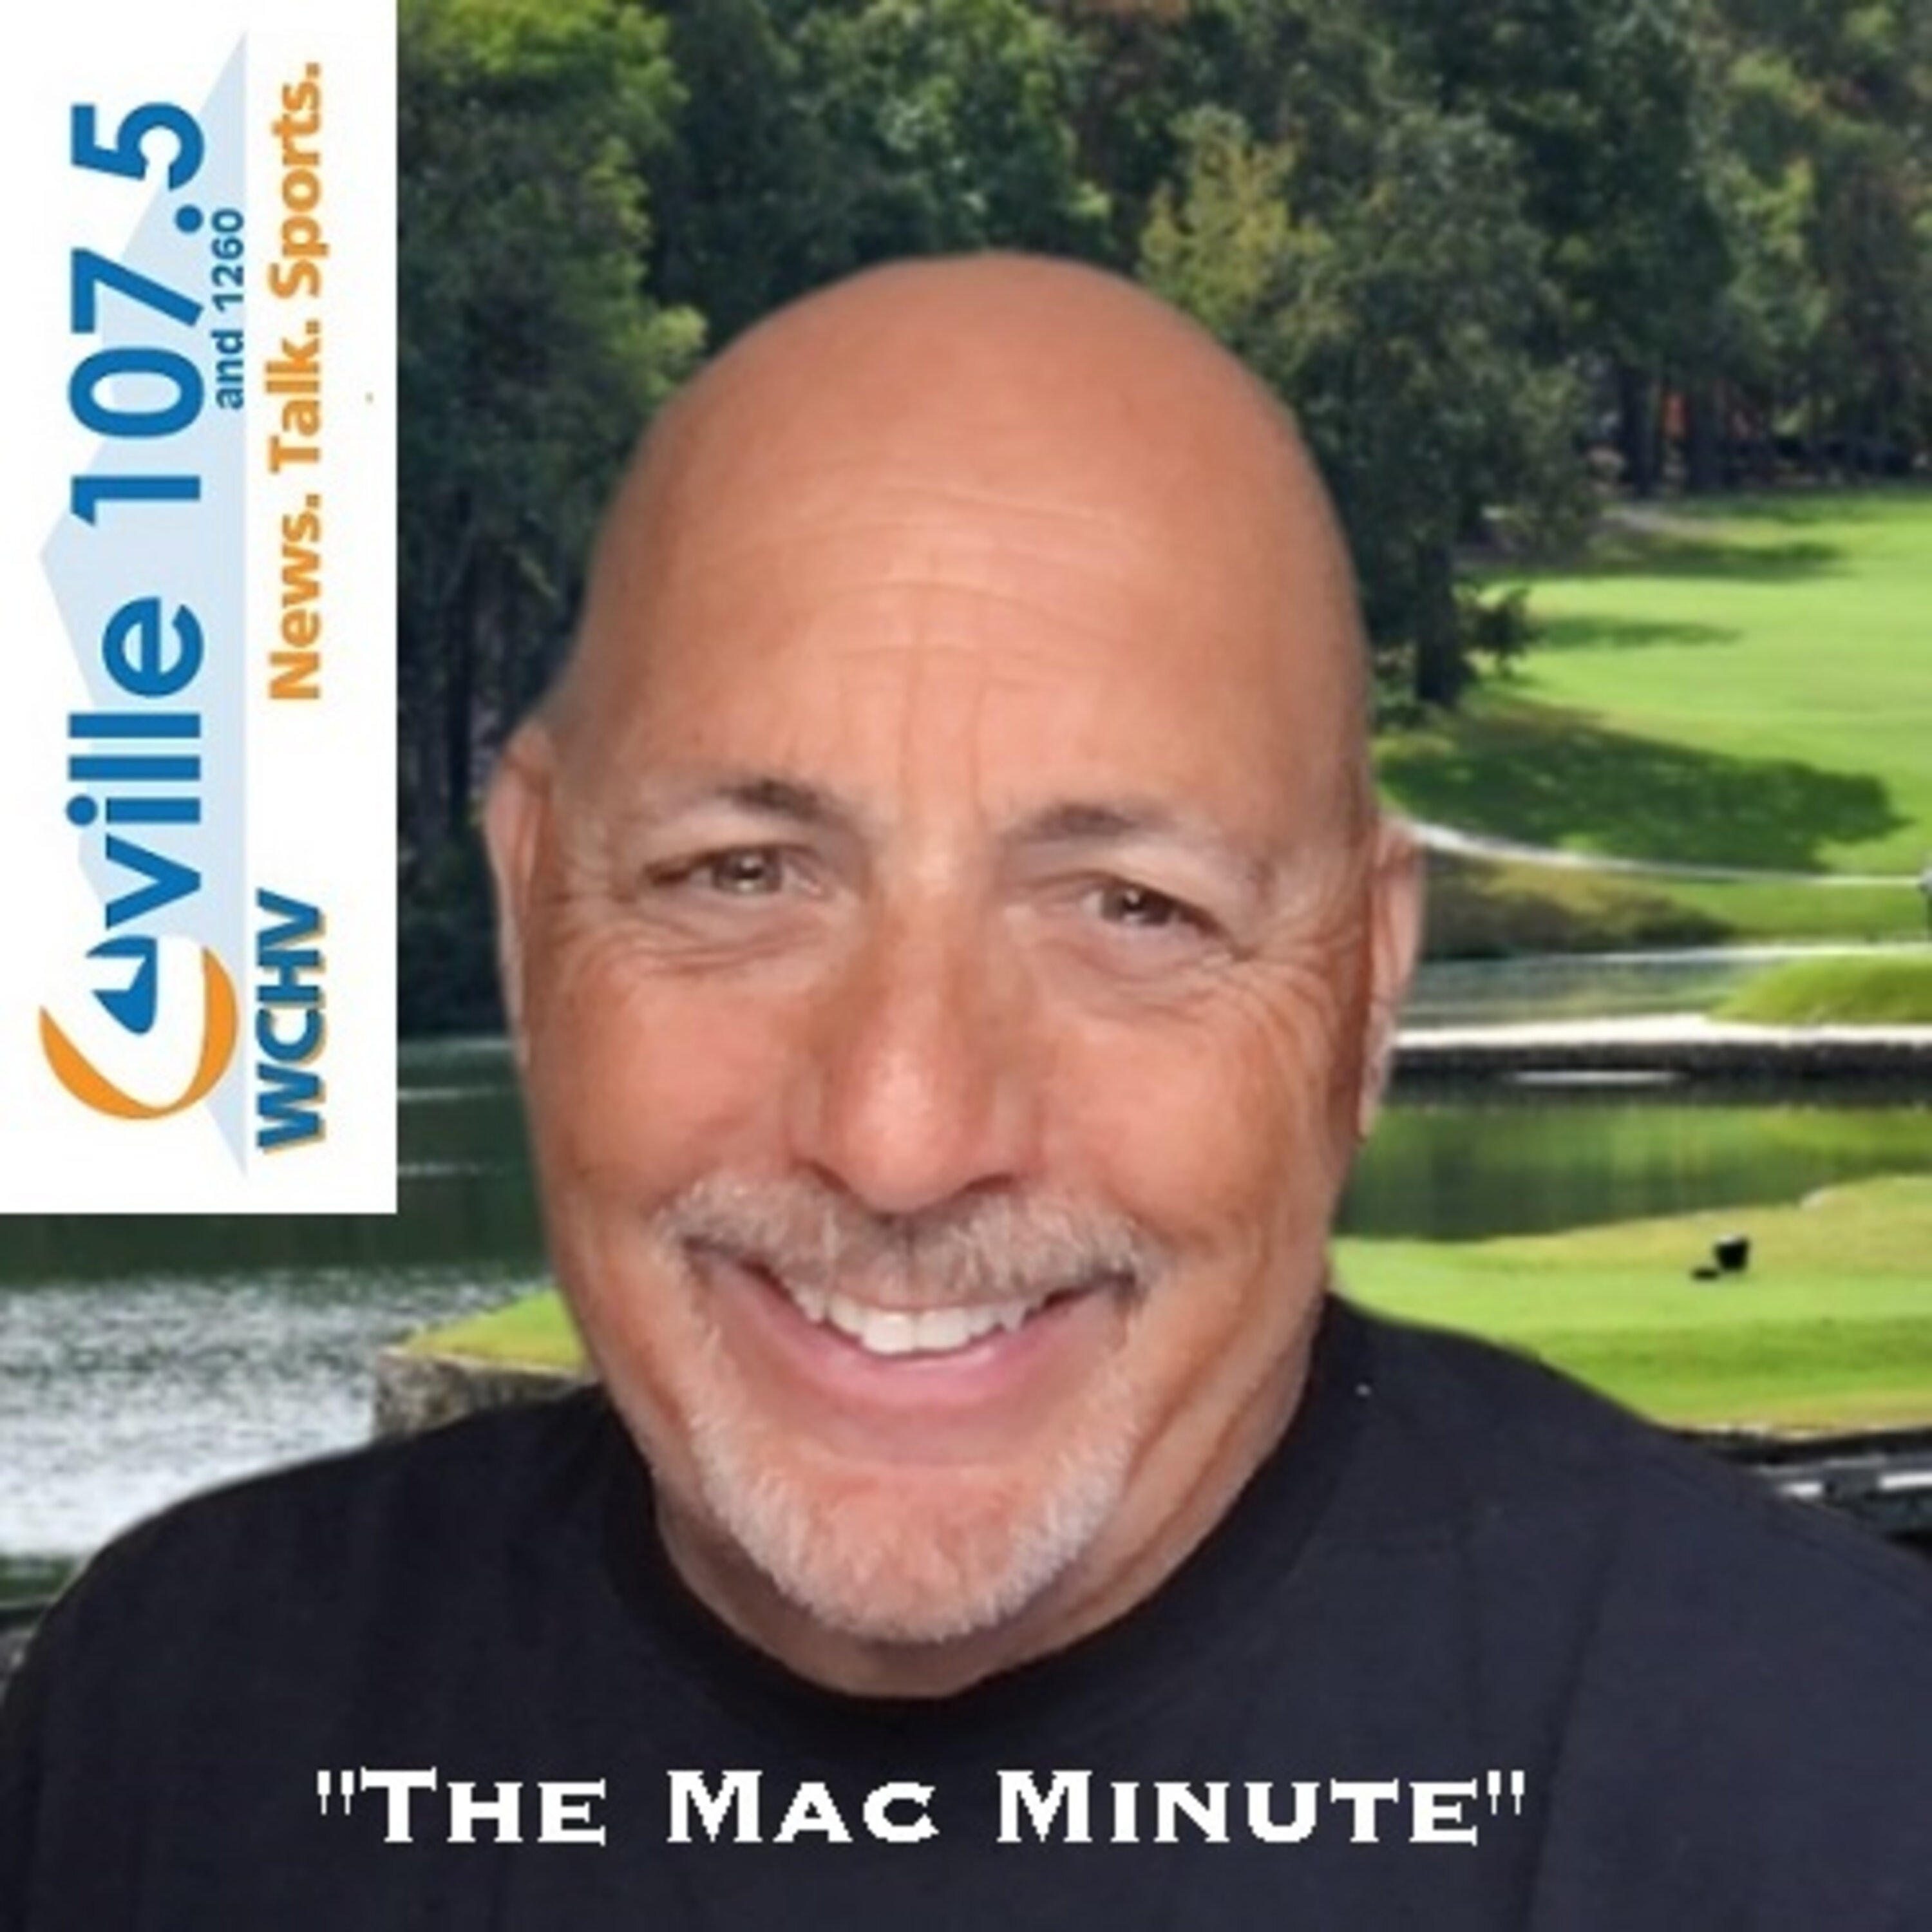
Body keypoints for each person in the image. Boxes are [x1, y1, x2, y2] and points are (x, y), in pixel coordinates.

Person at [3, 254, 1929, 1928]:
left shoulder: (1839, 1795)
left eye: (1132, 908)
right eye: (742, 876)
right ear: (529, 911)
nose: (903, 1137)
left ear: (1366, 990)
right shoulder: (169, 1734)